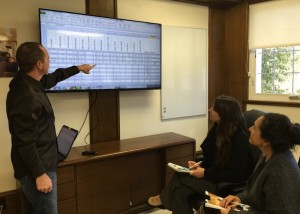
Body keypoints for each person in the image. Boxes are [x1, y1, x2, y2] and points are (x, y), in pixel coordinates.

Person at [6, 42, 96, 214]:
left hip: (40, 163)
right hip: (37, 169)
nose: (50, 61)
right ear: (39, 65)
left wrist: (78, 68)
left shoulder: (28, 81)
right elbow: (23, 141)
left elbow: (53, 77)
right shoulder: (26, 95)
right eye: (48, 58)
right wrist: (40, 174)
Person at [148, 95, 253, 214]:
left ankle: (162, 198)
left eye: (214, 108)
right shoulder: (218, 129)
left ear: (223, 113)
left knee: (180, 176)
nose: (209, 110)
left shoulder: (240, 138)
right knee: (180, 191)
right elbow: (212, 158)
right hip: (214, 177)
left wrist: (205, 173)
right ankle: (163, 198)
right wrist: (200, 165)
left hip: (225, 185)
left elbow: (236, 175)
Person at [202, 113, 300, 214]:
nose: (249, 129)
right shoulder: (267, 155)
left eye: (254, 128)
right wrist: (239, 198)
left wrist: (232, 213)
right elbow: (253, 190)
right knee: (207, 207)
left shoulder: (279, 170)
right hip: (251, 209)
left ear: (266, 140)